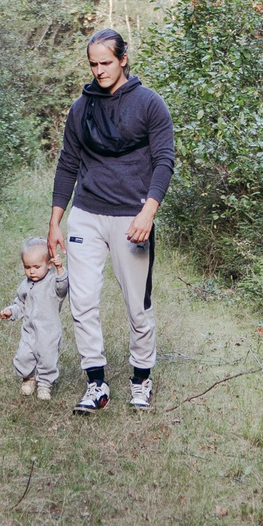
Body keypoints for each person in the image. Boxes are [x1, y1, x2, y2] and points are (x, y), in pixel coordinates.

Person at [47, 27, 173, 414]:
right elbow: (68, 163)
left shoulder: (150, 104)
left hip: (131, 217)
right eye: (93, 64)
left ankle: (141, 379)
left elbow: (164, 161)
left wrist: (148, 212)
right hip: (87, 214)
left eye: (106, 62)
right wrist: (55, 222)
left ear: (122, 59)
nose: (99, 70)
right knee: (82, 303)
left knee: (137, 304)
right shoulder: (81, 108)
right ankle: (96, 383)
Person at [0, 236, 68, 401]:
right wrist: (11, 311)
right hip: (29, 330)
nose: (32, 271)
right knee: (24, 355)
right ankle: (28, 378)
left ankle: (45, 384)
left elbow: (62, 288)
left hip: (48, 331)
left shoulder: (52, 282)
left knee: (47, 357)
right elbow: (20, 304)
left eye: (37, 267)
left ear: (49, 264)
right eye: (27, 267)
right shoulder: (25, 284)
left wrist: (60, 270)